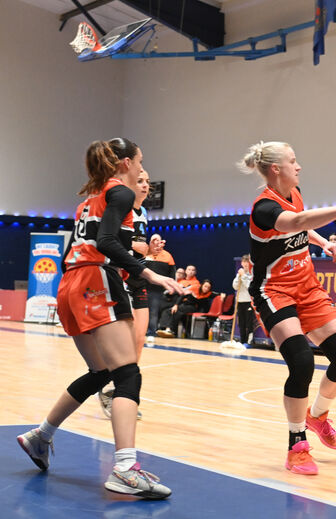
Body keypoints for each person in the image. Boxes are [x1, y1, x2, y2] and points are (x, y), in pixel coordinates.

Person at [16, 139, 184, 498]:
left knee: (102, 372)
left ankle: (40, 436)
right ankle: (124, 468)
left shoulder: (89, 200)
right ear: (125, 163)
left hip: (71, 284)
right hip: (95, 280)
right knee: (127, 373)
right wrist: (149, 272)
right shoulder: (118, 193)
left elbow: (92, 243)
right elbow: (107, 242)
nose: (142, 169)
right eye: (140, 162)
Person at [239, 140, 336, 475]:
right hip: (274, 290)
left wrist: (324, 241)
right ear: (276, 169)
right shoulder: (264, 208)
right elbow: (294, 223)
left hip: (307, 286)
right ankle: (297, 444)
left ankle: (318, 415)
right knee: (301, 362)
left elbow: (303, 226)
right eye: (293, 161)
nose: (299, 166)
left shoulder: (294, 193)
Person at [98, 169, 152, 419]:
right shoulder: (120, 202)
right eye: (140, 181)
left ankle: (122, 392)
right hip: (117, 275)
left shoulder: (143, 212)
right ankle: (112, 389)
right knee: (122, 342)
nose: (145, 186)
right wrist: (132, 245)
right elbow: (106, 237)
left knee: (139, 338)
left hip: (137, 276)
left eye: (148, 182)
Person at [143, 234, 176, 340]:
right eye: (154, 240)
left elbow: (172, 274)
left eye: (158, 240)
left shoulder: (168, 256)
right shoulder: (144, 253)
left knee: (153, 312)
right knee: (141, 310)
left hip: (157, 290)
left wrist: (169, 287)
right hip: (142, 287)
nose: (156, 242)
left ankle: (151, 332)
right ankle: (140, 330)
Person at [232, 254, 255, 345]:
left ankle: (249, 341)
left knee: (249, 322)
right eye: (244, 262)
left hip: (249, 301)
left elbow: (249, 286)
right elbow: (235, 286)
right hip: (240, 301)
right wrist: (239, 277)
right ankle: (242, 340)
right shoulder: (239, 274)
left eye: (247, 262)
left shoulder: (251, 274)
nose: (246, 264)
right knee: (241, 322)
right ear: (241, 263)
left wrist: (244, 276)